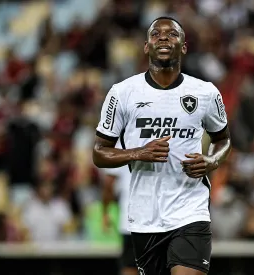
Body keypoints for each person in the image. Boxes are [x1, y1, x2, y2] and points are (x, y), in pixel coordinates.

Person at [92, 16, 231, 275]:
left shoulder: (205, 93)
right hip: (145, 215)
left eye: (172, 34)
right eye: (156, 34)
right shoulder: (122, 93)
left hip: (190, 209)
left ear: (184, 46)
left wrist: (211, 161)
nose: (164, 38)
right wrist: (139, 153)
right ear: (146, 46)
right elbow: (99, 153)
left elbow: (223, 140)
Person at [101, 144, 137, 275]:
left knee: (130, 266)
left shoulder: (122, 145)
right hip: (160, 219)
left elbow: (108, 184)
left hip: (131, 219)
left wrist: (105, 213)